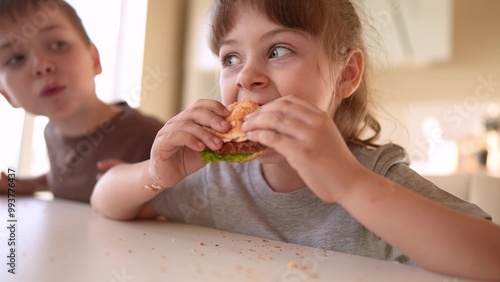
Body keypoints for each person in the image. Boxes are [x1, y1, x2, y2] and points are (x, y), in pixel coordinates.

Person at [90, 0, 500, 280]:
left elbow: (490, 256)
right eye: (231, 58)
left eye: (278, 50)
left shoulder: (373, 177)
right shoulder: (219, 178)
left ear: (346, 75)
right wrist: (158, 171)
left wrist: (349, 184)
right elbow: (105, 199)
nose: (246, 76)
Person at [0, 0, 164, 202]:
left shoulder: (153, 138)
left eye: (58, 44)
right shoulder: (51, 132)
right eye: (15, 58)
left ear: (94, 60)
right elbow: (70, 178)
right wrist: (29, 184)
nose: (42, 66)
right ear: (6, 94)